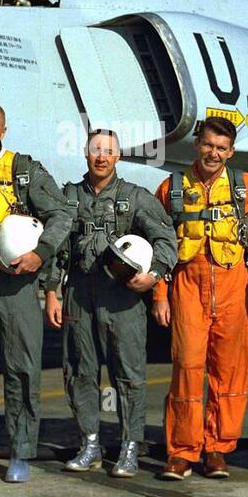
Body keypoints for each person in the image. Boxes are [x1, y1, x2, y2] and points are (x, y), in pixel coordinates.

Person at [153, 116, 248, 480]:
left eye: (221, 148)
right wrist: (159, 294)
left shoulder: (245, 185)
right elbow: (158, 243)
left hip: (233, 283)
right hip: (188, 283)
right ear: (196, 144)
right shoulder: (171, 188)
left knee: (229, 370)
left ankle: (217, 449)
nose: (213, 153)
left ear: (230, 152)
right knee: (186, 367)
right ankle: (183, 451)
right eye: (208, 145)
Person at [45, 129, 177, 477]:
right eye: (95, 151)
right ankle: (90, 443)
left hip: (122, 298)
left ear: (118, 157)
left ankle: (130, 446)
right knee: (79, 370)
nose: (101, 157)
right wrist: (51, 292)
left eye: (108, 151)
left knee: (129, 374)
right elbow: (56, 248)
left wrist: (154, 275)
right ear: (85, 154)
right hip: (79, 295)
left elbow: (166, 238)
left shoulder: (135, 198)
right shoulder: (68, 198)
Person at [0, 100, 73, 482]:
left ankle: (21, 453)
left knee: (21, 368)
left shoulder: (25, 171)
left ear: (2, 132)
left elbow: (63, 214)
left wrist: (42, 254)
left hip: (15, 280)